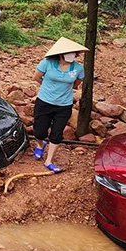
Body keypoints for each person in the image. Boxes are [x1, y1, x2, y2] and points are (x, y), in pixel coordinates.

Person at [32, 37, 87, 173]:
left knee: (56, 134)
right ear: (61, 53)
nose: (71, 55)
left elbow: (76, 84)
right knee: (39, 131)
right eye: (69, 52)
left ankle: (49, 161)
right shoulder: (47, 63)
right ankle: (40, 145)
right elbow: (37, 77)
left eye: (74, 53)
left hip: (64, 105)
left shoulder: (78, 68)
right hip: (44, 102)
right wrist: (48, 87)